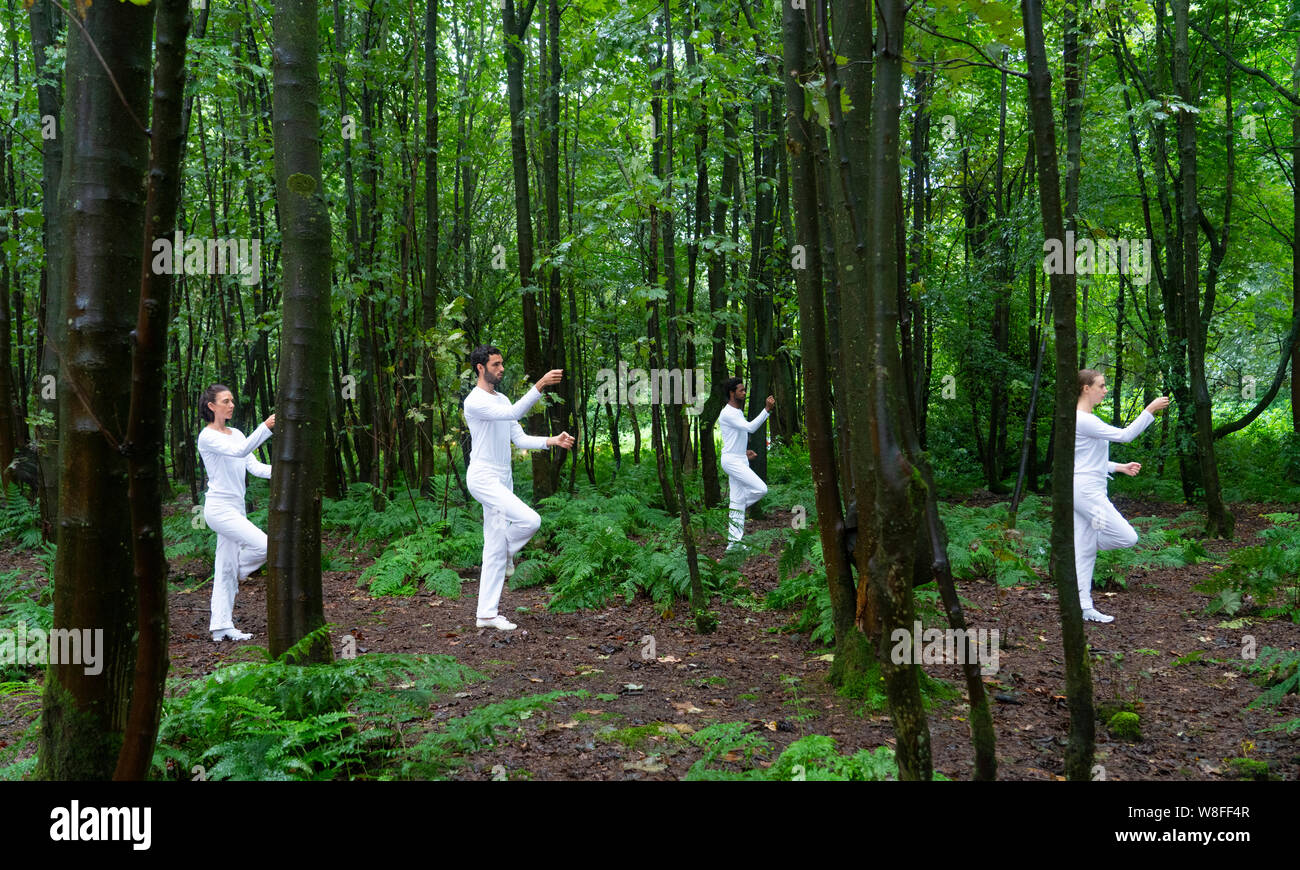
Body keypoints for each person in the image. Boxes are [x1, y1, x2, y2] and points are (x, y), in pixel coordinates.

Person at [463, 345, 574, 631]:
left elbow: (520, 439)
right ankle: (508, 552)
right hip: (483, 478)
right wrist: (540, 385)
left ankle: (486, 614)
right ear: (480, 368)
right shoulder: (475, 401)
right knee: (530, 520)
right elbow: (514, 411)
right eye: (496, 364)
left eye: (502, 364)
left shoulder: (501, 399)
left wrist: (552, 440)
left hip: (503, 478)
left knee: (493, 546)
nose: (501, 369)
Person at [1074, 369, 1170, 623]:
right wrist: (1149, 410)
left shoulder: (1084, 419)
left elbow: (1086, 460)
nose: (1105, 390)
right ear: (1086, 388)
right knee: (1127, 536)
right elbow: (1125, 435)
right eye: (1102, 386)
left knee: (1085, 549)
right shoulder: (1084, 420)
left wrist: (1119, 467)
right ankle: (1069, 550)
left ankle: (1083, 606)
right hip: (1086, 491)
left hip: (1085, 487)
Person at [197, 384, 275, 642]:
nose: (231, 405)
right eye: (225, 401)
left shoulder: (238, 433)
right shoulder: (207, 437)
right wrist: (265, 426)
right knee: (265, 545)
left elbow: (253, 467)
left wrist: (284, 469)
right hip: (219, 509)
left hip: (236, 509)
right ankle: (239, 571)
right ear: (211, 406)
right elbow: (237, 452)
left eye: (232, 401)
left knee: (224, 567)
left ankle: (221, 626)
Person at [717, 377, 775, 549]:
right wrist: (766, 410)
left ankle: (734, 544)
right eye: (741, 390)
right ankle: (737, 508)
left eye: (744, 389)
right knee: (761, 489)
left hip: (739, 459)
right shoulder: (727, 413)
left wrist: (743, 452)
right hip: (731, 461)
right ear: (732, 392)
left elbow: (734, 437)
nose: (744, 392)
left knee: (736, 500)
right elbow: (750, 428)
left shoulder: (737, 412)